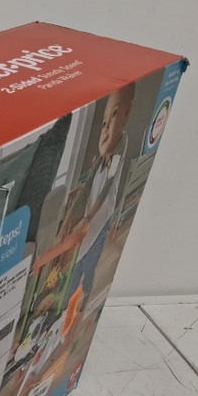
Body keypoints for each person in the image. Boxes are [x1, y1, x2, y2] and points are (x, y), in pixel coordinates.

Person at [61, 83, 135, 308]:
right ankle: (67, 305)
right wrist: (71, 217)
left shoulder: (119, 151)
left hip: (100, 219)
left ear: (126, 115)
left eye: (114, 116)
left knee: (89, 265)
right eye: (103, 123)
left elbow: (105, 191)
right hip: (90, 217)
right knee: (77, 263)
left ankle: (84, 302)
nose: (105, 128)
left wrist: (88, 218)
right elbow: (87, 184)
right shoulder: (101, 160)